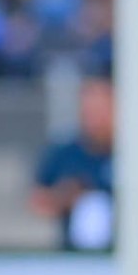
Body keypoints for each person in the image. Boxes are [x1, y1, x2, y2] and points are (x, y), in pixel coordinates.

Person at [32, 73, 115, 251]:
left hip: (120, 253)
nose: (94, 118)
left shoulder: (134, 156)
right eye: (89, 110)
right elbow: (38, 201)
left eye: (100, 110)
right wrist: (64, 197)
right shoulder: (63, 153)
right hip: (72, 254)